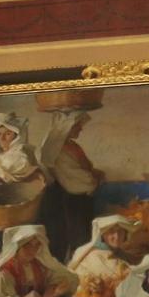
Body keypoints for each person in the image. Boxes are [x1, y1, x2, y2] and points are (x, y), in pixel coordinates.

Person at [40, 110, 104, 259]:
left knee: (82, 240)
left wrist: (92, 174)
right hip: (69, 200)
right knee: (74, 241)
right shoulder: (58, 150)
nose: (81, 129)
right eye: (77, 126)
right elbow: (76, 177)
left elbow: (85, 169)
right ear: (67, 128)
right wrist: (94, 178)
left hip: (78, 198)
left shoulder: (71, 145)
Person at [68, 215, 136, 280]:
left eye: (120, 231)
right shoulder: (95, 255)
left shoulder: (123, 254)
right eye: (111, 232)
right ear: (103, 235)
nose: (117, 237)